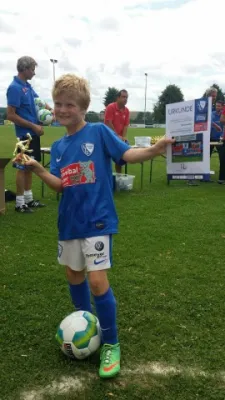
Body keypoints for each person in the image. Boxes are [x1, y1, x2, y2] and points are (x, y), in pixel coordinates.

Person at [24, 73, 175, 379]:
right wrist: (38, 168)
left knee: (96, 281)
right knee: (73, 274)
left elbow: (126, 154)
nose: (62, 109)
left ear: (83, 108)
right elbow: (60, 186)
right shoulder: (59, 147)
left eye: (69, 104)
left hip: (97, 219)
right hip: (69, 222)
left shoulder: (98, 132)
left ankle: (111, 343)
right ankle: (88, 324)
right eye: (58, 104)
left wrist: (155, 150)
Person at [6, 56, 53, 213]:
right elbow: (11, 115)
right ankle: (20, 203)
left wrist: (52, 111)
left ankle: (28, 199)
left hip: (33, 133)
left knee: (30, 166)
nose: (34, 72)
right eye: (32, 69)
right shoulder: (14, 88)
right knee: (22, 166)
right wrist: (33, 125)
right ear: (25, 69)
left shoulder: (27, 86)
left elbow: (39, 101)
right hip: (24, 136)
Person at [104, 90, 130, 173]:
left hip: (118, 138)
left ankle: (119, 178)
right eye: (123, 97)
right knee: (104, 160)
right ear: (118, 98)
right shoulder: (111, 107)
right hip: (107, 137)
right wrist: (117, 136)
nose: (125, 99)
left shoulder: (127, 111)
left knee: (120, 159)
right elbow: (108, 123)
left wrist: (123, 137)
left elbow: (126, 125)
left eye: (126, 97)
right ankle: (107, 178)